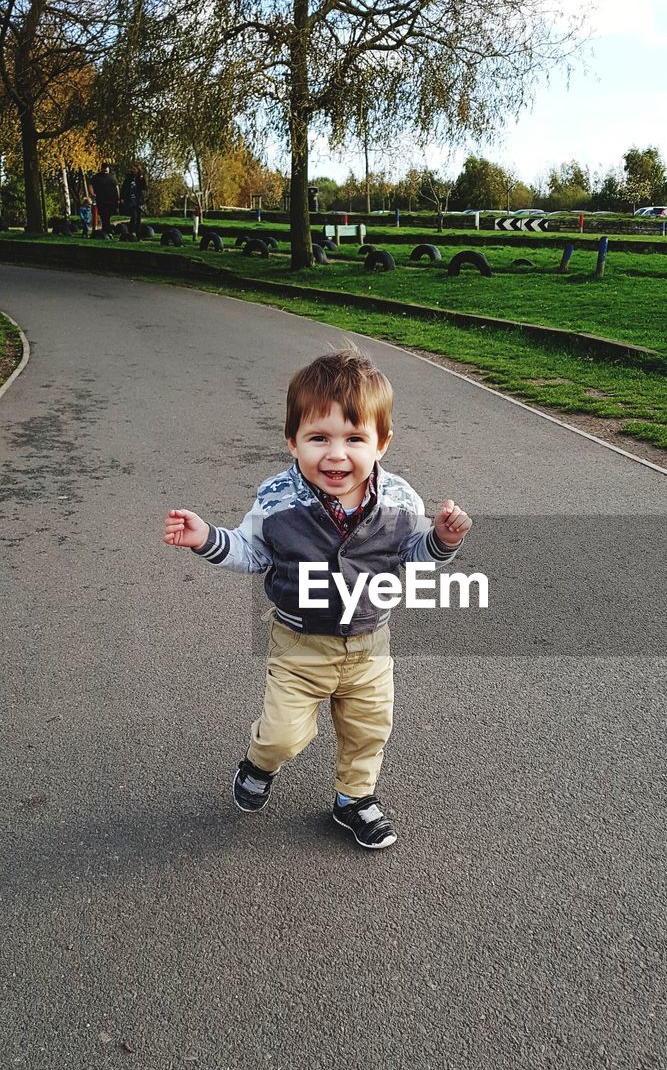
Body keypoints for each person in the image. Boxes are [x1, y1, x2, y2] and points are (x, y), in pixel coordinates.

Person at [163, 349, 472, 850]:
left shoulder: (399, 500)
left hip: (370, 643)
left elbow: (416, 556)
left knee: (369, 729)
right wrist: (206, 538)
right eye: (318, 438)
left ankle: (355, 799)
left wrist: (443, 539)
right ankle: (260, 763)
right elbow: (252, 552)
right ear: (292, 442)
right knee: (283, 734)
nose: (336, 455)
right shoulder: (277, 500)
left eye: (354, 439)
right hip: (299, 643)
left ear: (382, 443)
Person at [88, 162, 119, 236]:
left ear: (108, 169)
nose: (105, 170)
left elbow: (116, 187)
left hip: (111, 200)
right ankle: (107, 230)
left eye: (106, 168)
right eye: (104, 168)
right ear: (101, 169)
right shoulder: (97, 177)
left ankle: (106, 230)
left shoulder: (112, 177)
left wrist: (118, 198)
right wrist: (92, 193)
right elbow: (90, 185)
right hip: (101, 199)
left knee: (107, 216)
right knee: (103, 215)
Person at [120, 162, 147, 236]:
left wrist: (142, 179)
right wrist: (122, 197)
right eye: (132, 169)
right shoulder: (129, 177)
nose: (133, 170)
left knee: (138, 217)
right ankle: (131, 231)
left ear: (138, 170)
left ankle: (138, 232)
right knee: (134, 215)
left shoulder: (140, 177)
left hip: (138, 200)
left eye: (134, 169)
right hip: (130, 200)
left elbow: (144, 188)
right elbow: (124, 188)